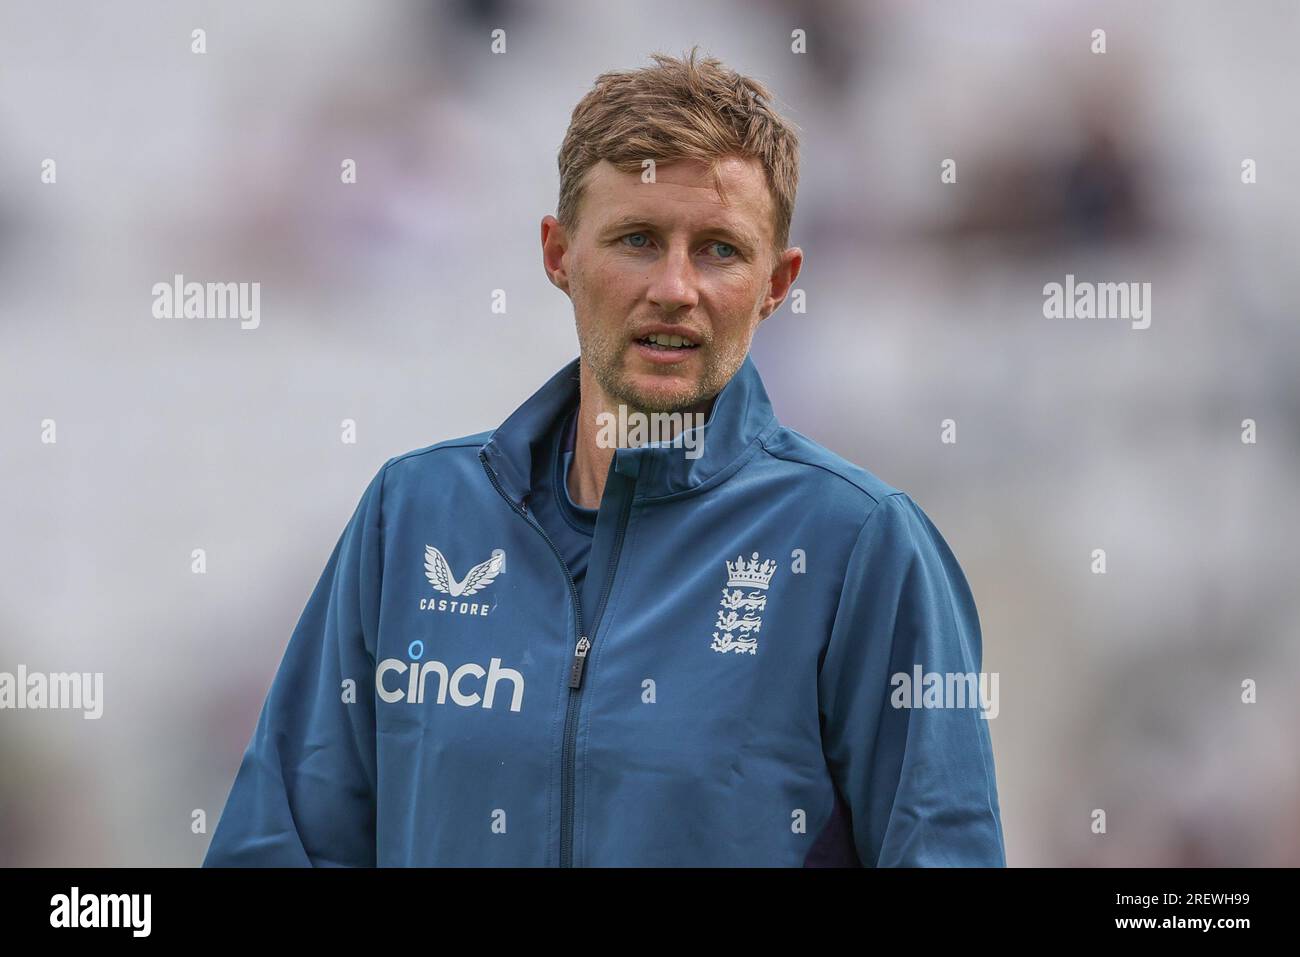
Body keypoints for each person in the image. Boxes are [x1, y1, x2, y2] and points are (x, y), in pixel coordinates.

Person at [203, 48, 1006, 867]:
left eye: (720, 250)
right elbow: (278, 842)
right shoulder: (409, 516)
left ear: (777, 282)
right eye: (637, 239)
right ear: (558, 254)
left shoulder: (860, 546)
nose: (675, 286)